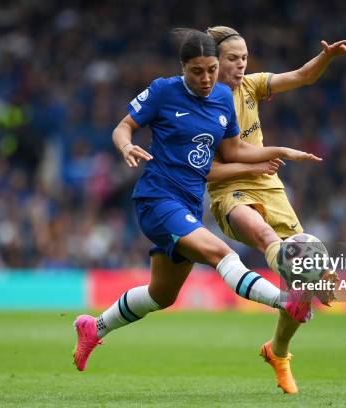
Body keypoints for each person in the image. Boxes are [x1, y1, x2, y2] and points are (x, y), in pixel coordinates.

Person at [72, 29, 322, 372]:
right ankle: (286, 302)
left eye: (211, 70)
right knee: (224, 254)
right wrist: (126, 145)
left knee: (162, 295)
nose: (205, 79)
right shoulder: (163, 91)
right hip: (157, 199)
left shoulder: (222, 98)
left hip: (189, 204)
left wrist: (276, 152)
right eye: (196, 71)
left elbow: (233, 150)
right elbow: (122, 127)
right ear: (183, 68)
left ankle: (93, 327)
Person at [205, 26, 346, 393]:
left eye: (244, 57)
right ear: (214, 62)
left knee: (300, 278)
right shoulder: (202, 101)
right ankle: (311, 271)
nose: (241, 65)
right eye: (232, 59)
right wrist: (269, 157)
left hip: (268, 186)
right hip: (229, 190)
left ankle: (279, 351)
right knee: (269, 239)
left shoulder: (252, 85)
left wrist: (326, 57)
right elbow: (213, 167)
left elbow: (303, 77)